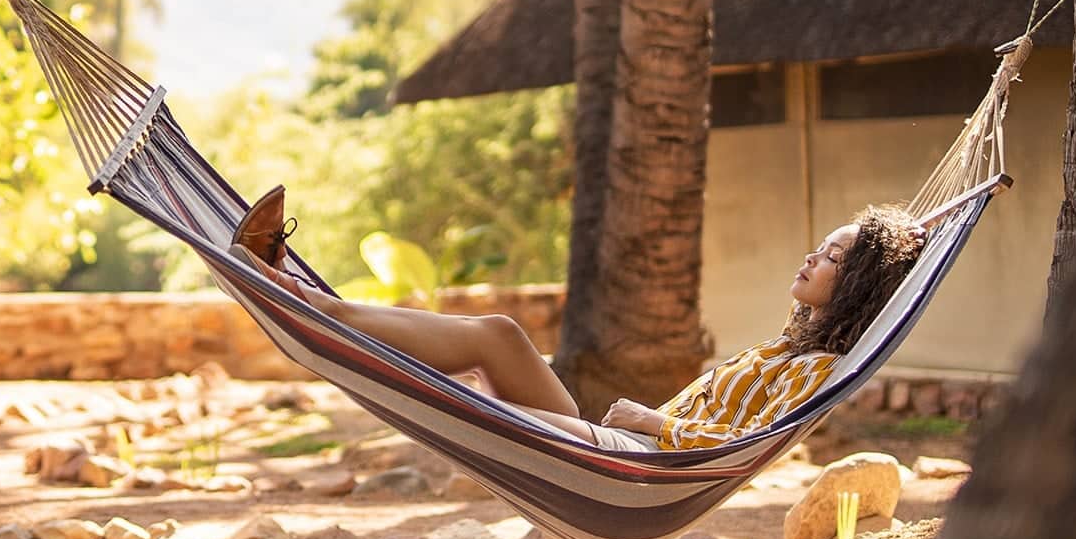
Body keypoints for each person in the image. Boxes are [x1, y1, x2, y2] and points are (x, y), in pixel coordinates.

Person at [231, 186, 925, 452]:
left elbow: (737, 444)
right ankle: (305, 297)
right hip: (618, 452)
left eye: (833, 255)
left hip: (645, 466)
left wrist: (656, 424)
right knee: (500, 335)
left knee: (485, 402)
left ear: (858, 284)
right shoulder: (786, 346)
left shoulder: (821, 369)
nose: (811, 256)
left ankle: (297, 294)